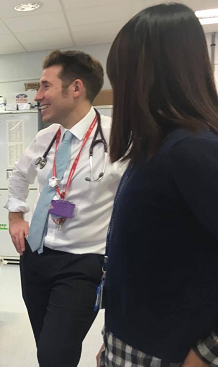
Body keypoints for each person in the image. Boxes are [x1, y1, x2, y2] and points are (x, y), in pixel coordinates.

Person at [99, 3, 218, 366]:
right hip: (129, 343)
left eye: (123, 80)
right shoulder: (155, 148)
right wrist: (112, 339)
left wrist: (206, 353)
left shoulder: (192, 150)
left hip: (167, 353)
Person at [6, 50, 124, 367]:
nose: (38, 96)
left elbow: (137, 205)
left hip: (82, 264)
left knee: (54, 353)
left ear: (75, 88)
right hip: (36, 256)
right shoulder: (45, 138)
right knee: (48, 346)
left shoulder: (117, 139)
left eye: (45, 86)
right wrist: (16, 216)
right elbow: (19, 177)